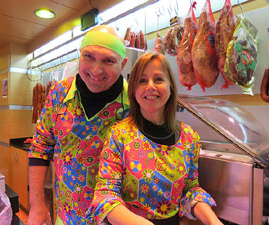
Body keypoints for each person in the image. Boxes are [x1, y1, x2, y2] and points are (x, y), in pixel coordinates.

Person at [87, 52, 223, 225]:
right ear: (134, 89)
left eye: (158, 79)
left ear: (170, 87)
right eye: (142, 80)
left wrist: (213, 221)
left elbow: (190, 190)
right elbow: (105, 196)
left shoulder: (189, 137)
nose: (150, 86)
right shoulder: (119, 134)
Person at [28, 25, 129, 225]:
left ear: (123, 64)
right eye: (89, 57)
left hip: (117, 219)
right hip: (66, 218)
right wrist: (38, 205)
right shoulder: (59, 93)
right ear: (79, 55)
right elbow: (40, 147)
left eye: (108, 60)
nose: (96, 70)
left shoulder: (134, 103)